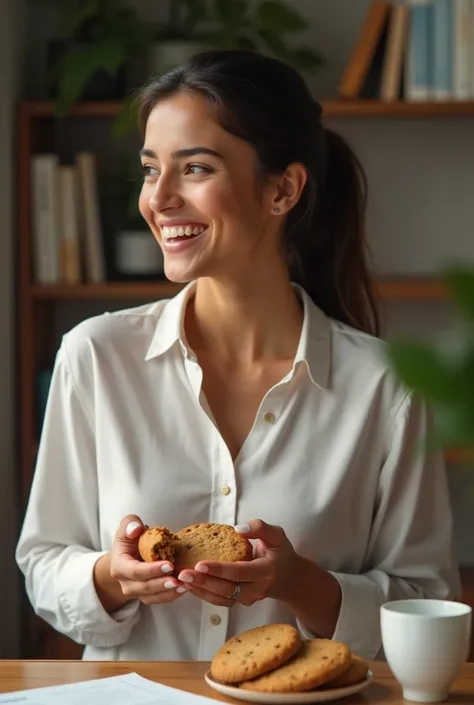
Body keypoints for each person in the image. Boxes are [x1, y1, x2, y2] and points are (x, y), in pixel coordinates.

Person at [16, 49, 461, 662]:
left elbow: (427, 601)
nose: (159, 199)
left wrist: (299, 583)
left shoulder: (387, 388)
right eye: (151, 170)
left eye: (195, 168)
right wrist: (110, 578)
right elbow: (43, 561)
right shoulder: (94, 356)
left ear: (283, 189)